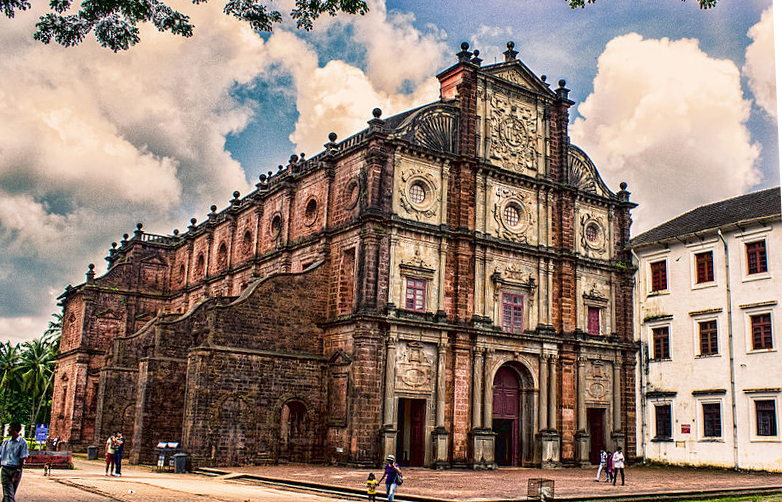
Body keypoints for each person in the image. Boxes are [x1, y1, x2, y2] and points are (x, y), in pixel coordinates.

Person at [0, 422, 29, 502]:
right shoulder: (6, 442)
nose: (8, 430)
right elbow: (2, 455)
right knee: (8, 492)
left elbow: (22, 458)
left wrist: (18, 472)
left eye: (10, 428)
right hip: (5, 469)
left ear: (15, 429)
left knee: (10, 492)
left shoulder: (22, 443)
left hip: (15, 469)